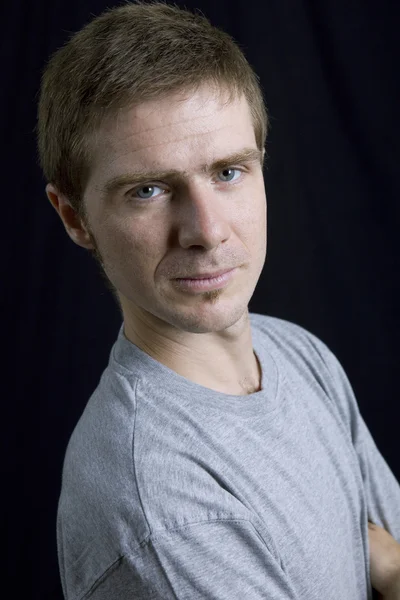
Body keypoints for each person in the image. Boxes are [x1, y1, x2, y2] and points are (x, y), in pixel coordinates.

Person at [37, 1, 400, 598]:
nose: (206, 230)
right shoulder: (159, 505)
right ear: (75, 217)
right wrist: (382, 562)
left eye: (229, 172)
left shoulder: (297, 353)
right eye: (148, 190)